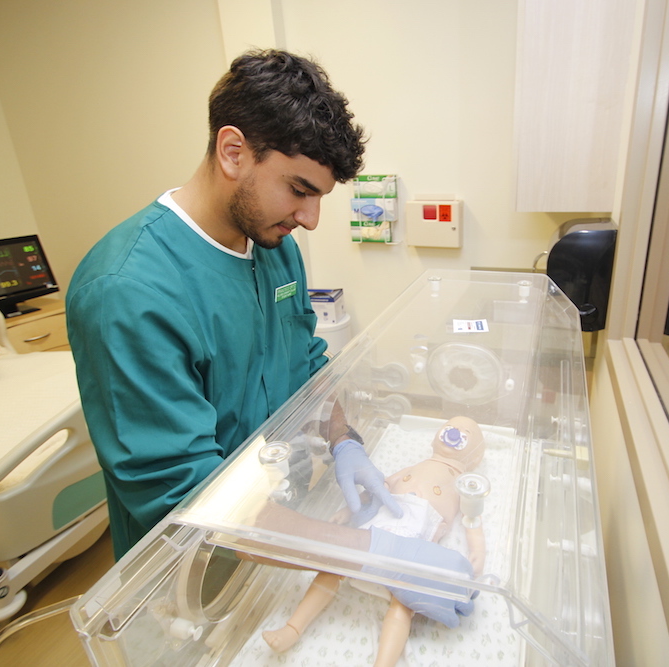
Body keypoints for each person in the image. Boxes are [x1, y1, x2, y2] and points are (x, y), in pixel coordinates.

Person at [68, 47, 474, 630]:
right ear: (234, 152)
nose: (310, 220)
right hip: (192, 568)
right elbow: (187, 499)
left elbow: (306, 362)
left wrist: (343, 441)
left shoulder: (273, 249)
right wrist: (374, 555)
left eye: (319, 198)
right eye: (299, 190)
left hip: (285, 526)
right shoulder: (127, 292)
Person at [262, 416, 488, 667]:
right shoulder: (417, 465)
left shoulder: (462, 482)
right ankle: (292, 628)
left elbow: (472, 514)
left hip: (417, 534)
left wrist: (477, 548)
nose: (454, 432)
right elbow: (378, 485)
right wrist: (350, 509)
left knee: (403, 603)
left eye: (465, 433)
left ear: (475, 458)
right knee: (332, 569)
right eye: (450, 427)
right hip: (385, 519)